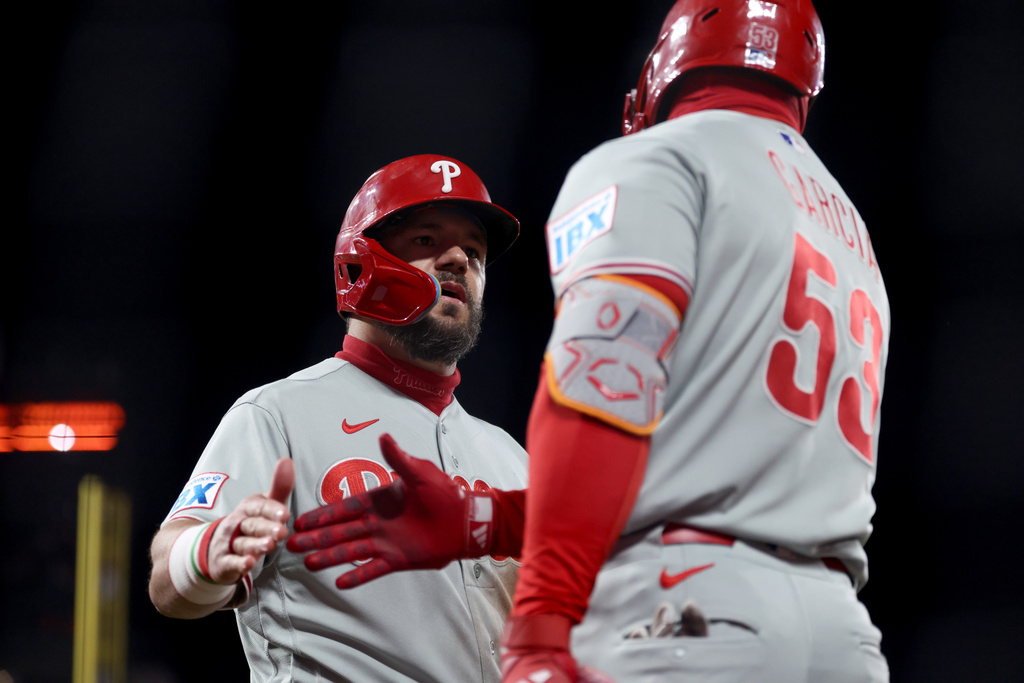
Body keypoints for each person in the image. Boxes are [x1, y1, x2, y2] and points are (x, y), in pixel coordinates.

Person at [288, 1, 891, 682]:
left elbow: (603, 395)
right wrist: (481, 520)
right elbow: (712, 471)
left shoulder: (658, 162)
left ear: (669, 64)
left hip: (690, 609)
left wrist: (538, 630)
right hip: (841, 634)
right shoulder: (849, 230)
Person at [147, 153, 530, 682]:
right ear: (363, 260)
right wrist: (209, 553)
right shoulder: (278, 413)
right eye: (426, 240)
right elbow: (168, 583)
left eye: (476, 251)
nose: (460, 260)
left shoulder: (511, 457)